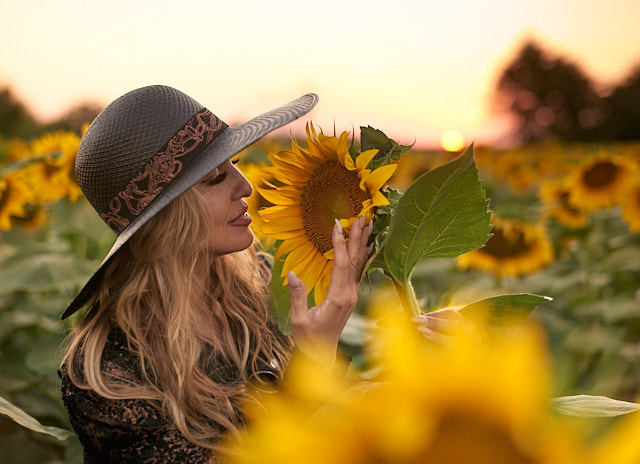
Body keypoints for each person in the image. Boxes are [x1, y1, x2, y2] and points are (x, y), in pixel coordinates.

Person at [59, 85, 465, 463]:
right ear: (163, 217)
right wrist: (314, 357)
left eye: (233, 163)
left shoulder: (260, 284)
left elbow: (339, 422)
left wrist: (430, 371)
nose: (246, 187)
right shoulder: (106, 374)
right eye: (216, 178)